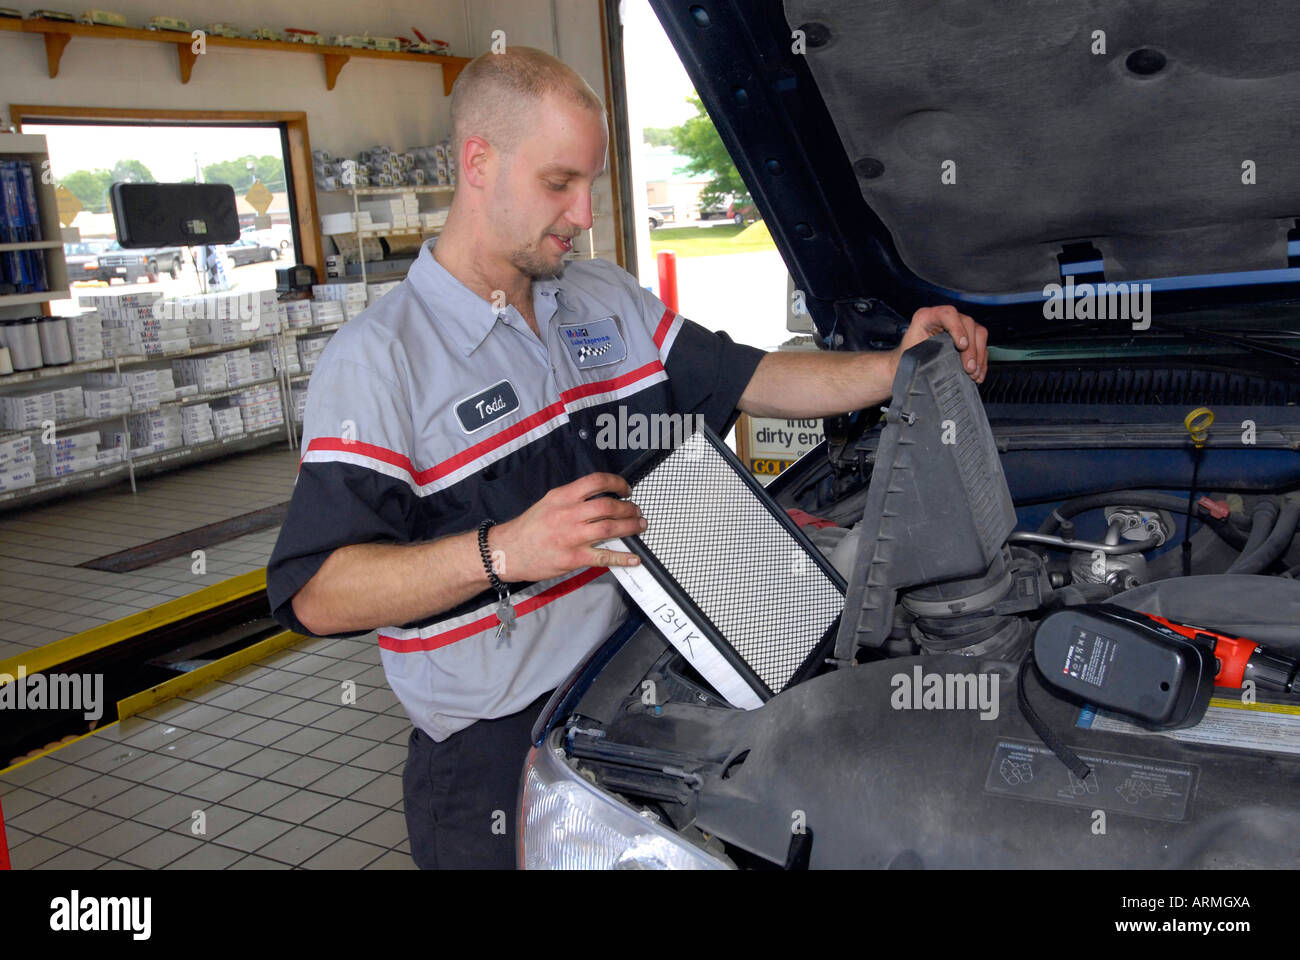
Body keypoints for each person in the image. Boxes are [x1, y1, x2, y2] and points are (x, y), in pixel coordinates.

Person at [266, 46, 988, 869]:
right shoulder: (380, 360)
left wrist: (899, 365)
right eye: (558, 182)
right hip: (496, 755)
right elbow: (316, 592)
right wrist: (502, 553)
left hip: (644, 690)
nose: (581, 211)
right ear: (478, 163)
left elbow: (754, 376)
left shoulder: (601, 298)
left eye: (592, 185)